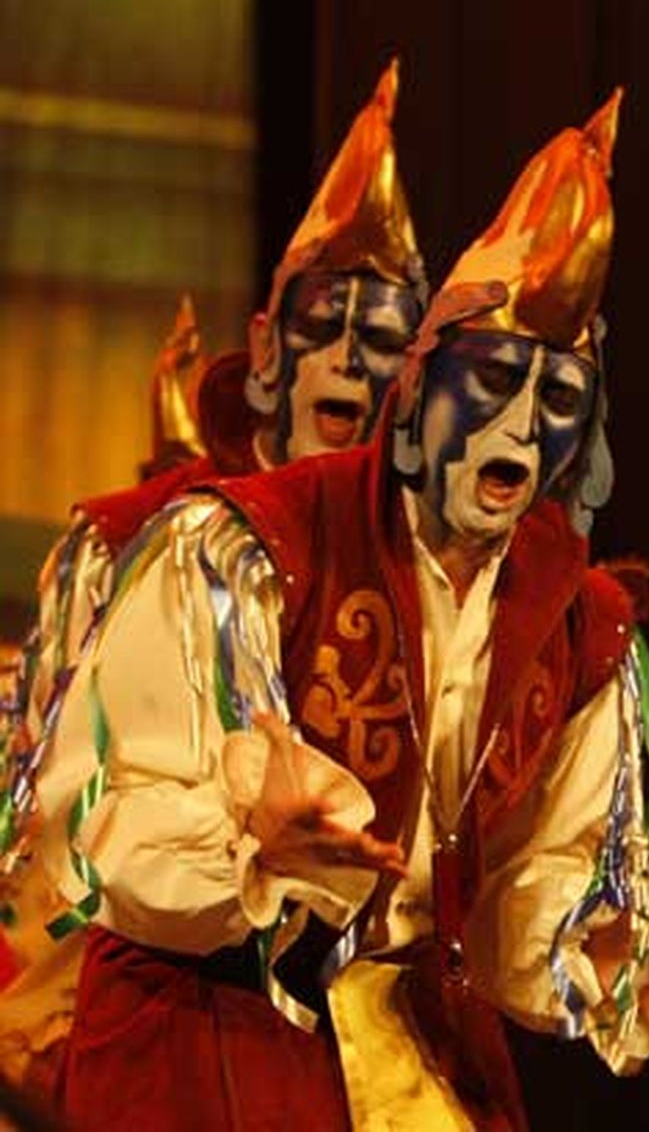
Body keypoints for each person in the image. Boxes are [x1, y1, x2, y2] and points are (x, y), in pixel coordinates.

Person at [31, 91, 649, 1131]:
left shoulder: (578, 625)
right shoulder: (237, 549)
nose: (520, 424)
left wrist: (607, 948)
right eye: (494, 381)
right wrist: (248, 850)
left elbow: (525, 890)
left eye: (557, 400)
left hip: (406, 1038)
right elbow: (103, 810)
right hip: (209, 1017)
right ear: (417, 392)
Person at [0, 61, 430, 1099]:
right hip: (164, 1013)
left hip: (369, 1039)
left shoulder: (434, 573)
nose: (348, 361)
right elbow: (59, 823)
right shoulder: (143, 543)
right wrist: (238, 856)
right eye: (322, 330)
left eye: (381, 342)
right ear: (266, 350)